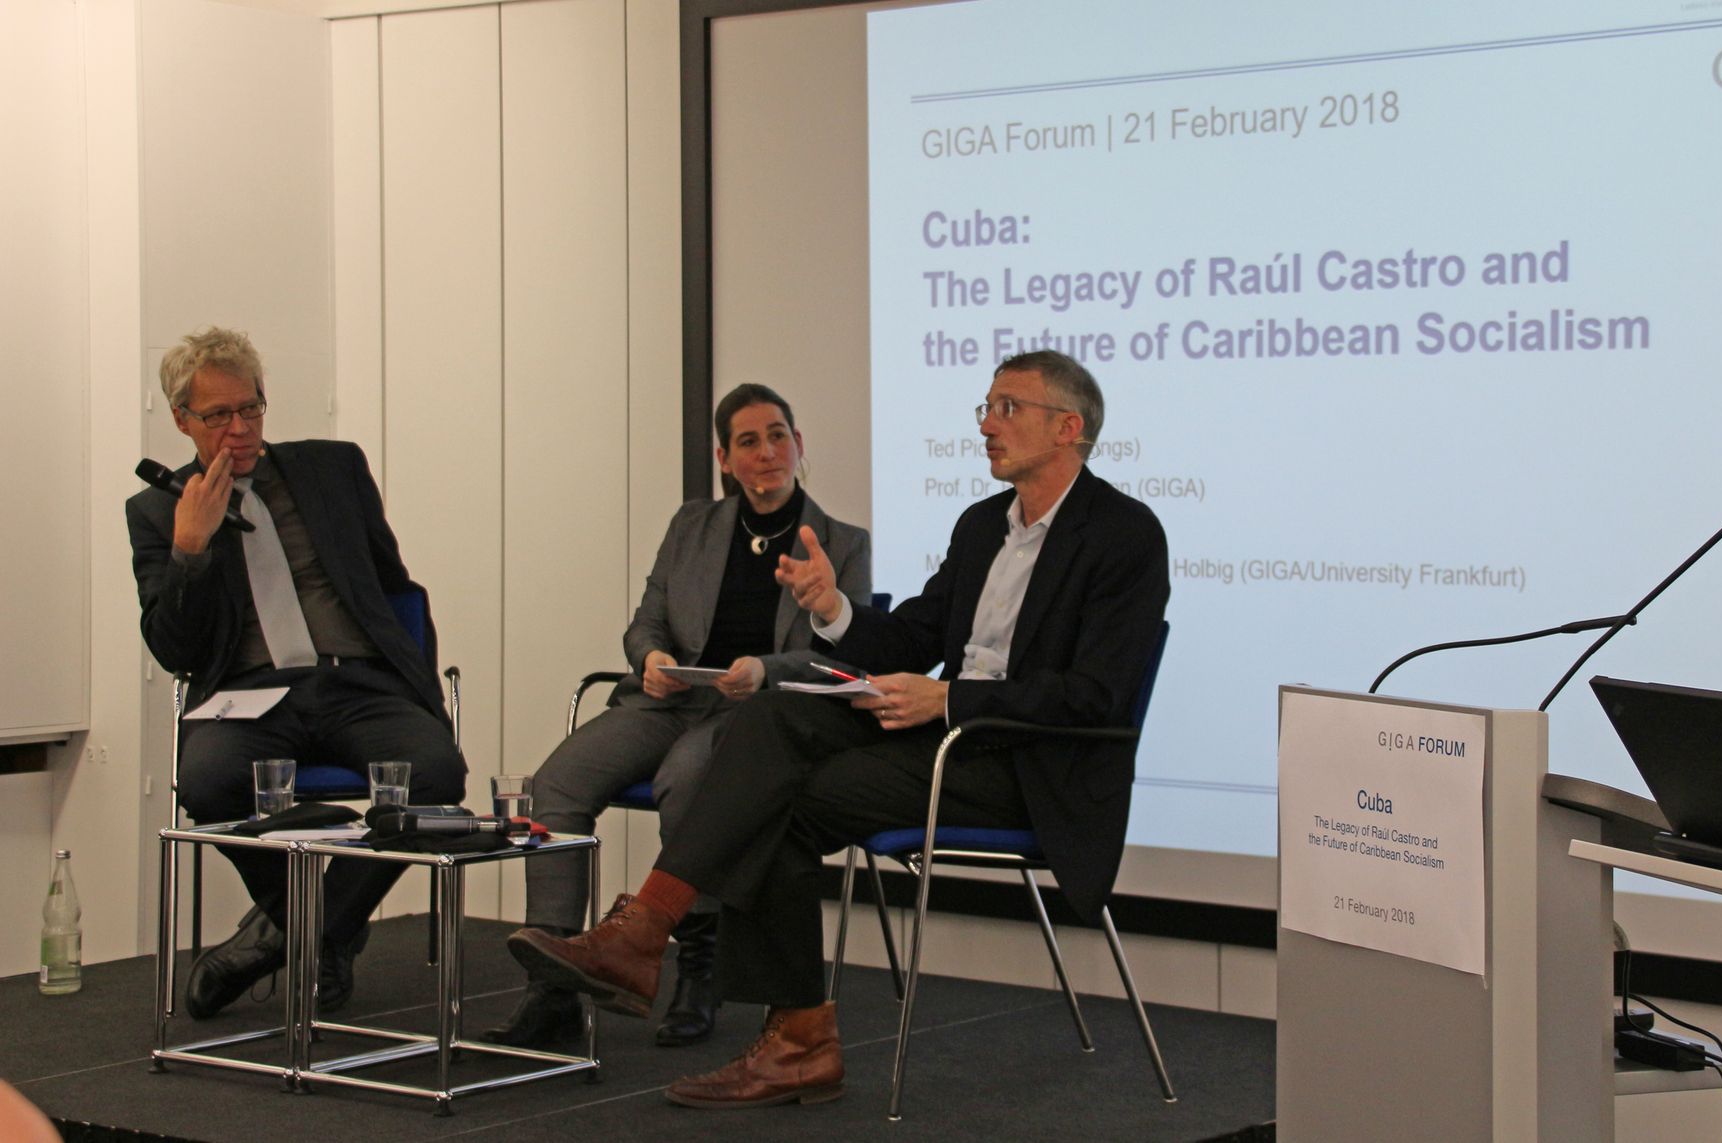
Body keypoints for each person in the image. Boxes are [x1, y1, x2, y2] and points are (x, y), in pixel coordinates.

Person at [508, 350, 1170, 1108]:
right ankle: (695, 966)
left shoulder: (1124, 534)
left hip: (1028, 767)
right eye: (984, 407)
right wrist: (832, 608)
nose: (986, 425)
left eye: (1007, 407)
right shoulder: (984, 524)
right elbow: (911, 635)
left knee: (779, 796)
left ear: (1068, 427)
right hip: (946, 742)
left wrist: (948, 703)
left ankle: (744, 1003)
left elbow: (1097, 696)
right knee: (776, 717)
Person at [482, 384, 871, 1050]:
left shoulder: (843, 543)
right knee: (558, 783)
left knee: (689, 780)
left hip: (756, 716)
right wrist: (652, 654)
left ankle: (697, 966)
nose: (767, 451)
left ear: (799, 445)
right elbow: (646, 620)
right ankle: (554, 987)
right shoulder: (692, 525)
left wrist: (765, 670)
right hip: (670, 697)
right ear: (724, 457)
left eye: (779, 434)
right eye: (748, 441)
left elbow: (842, 660)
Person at [126, 326, 465, 1017]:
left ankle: (283, 935)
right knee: (208, 780)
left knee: (435, 775)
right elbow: (174, 649)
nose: (239, 429)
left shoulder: (331, 469)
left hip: (355, 681)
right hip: (249, 693)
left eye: (251, 408)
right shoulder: (159, 509)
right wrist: (190, 549)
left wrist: (401, 665)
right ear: (181, 419)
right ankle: (325, 935)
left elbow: (387, 582)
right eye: (218, 415)